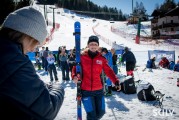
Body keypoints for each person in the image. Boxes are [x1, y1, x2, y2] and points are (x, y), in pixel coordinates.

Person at [0, 6, 64, 120]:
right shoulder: (15, 60)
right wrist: (57, 87)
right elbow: (47, 109)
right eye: (36, 43)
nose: (33, 49)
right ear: (28, 36)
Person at [72, 35, 121, 120]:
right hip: (86, 90)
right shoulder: (82, 57)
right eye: (91, 44)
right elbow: (74, 69)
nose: (93, 46)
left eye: (95, 44)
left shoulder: (101, 59)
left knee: (101, 113)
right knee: (92, 115)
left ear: (98, 46)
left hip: (98, 90)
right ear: (88, 45)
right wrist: (74, 76)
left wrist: (116, 81)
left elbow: (109, 71)